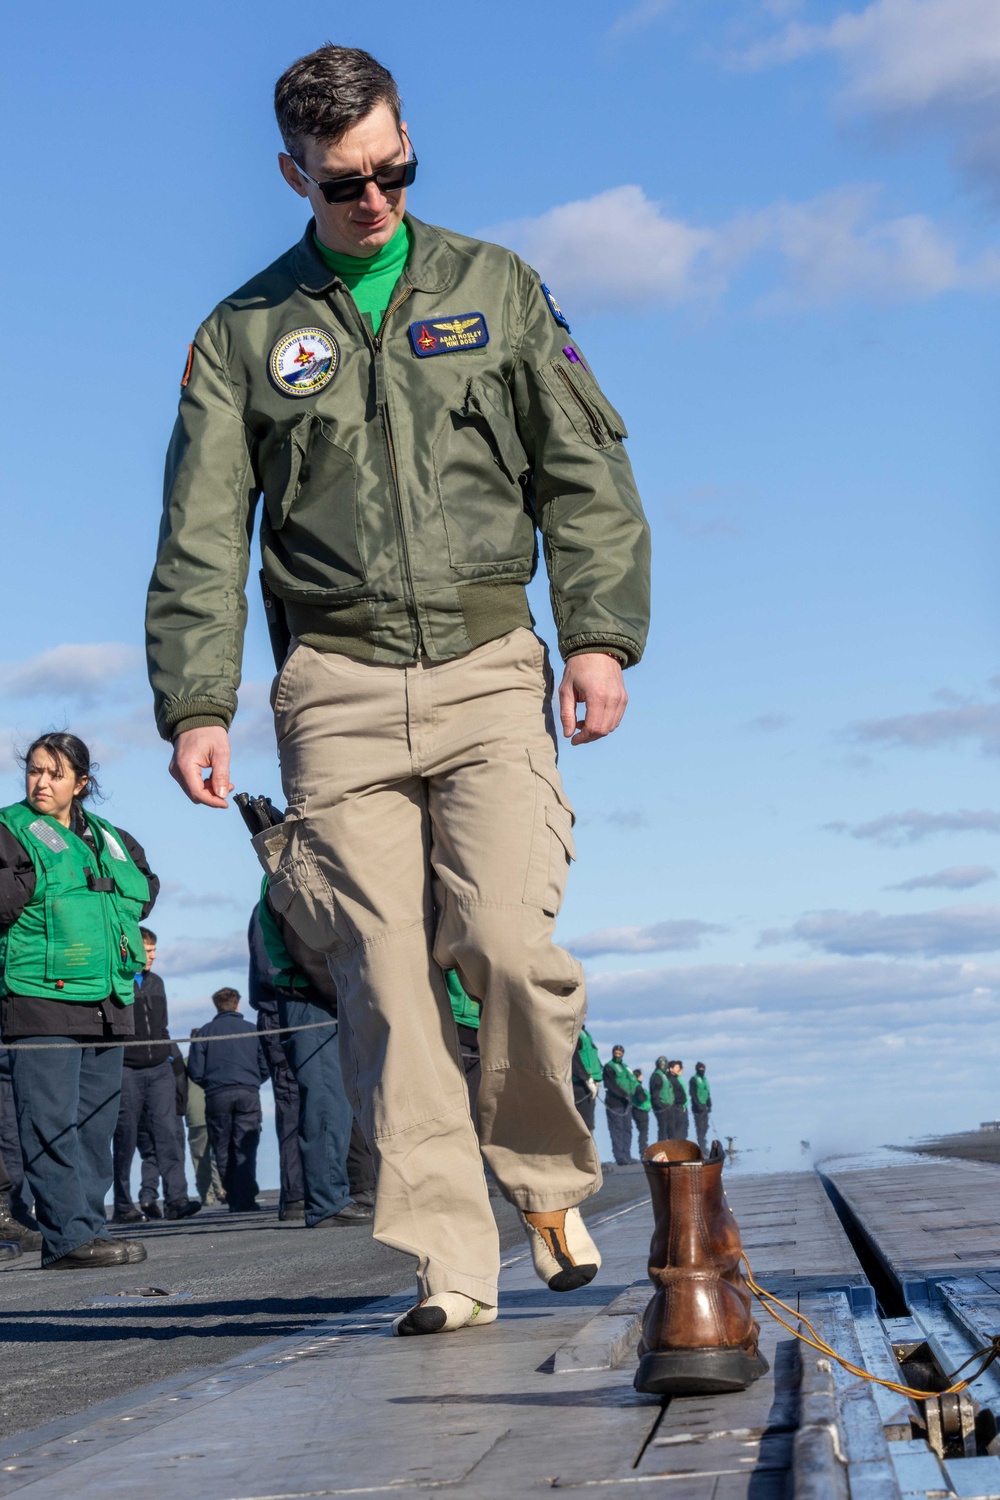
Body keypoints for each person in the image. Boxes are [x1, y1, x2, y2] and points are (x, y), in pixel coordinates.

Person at [146, 43, 650, 1336]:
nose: (374, 201)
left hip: (489, 666)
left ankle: (543, 1178)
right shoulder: (243, 335)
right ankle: (449, 1256)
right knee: (378, 972)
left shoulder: (499, 288)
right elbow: (201, 533)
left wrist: (598, 637)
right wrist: (196, 702)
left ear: (410, 145)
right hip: (335, 685)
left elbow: (581, 474)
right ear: (292, 175)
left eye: (395, 172)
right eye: (343, 184)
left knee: (505, 945)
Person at [0, 733, 158, 1269]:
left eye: (55, 774)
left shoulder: (112, 838)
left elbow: (145, 887)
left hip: (110, 997)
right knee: (48, 1121)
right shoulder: (9, 831)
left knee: (94, 1124)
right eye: (34, 771)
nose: (41, 783)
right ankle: (67, 1236)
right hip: (41, 997)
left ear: (81, 784)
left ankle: (87, 1227)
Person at [249, 894, 373, 1225]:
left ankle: (334, 1195)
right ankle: (327, 1202)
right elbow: (307, 952)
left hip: (321, 997)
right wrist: (344, 993)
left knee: (336, 1102)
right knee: (325, 1102)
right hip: (312, 999)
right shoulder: (288, 884)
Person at [112, 928, 200, 1223]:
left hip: (159, 1068)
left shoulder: (157, 982)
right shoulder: (116, 980)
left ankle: (177, 1200)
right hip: (126, 1070)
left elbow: (162, 1027)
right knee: (125, 1138)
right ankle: (123, 1206)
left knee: (169, 1135)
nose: (153, 956)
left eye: (154, 950)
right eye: (148, 950)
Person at [187, 987, 269, 1212]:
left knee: (222, 1148)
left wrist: (211, 1085)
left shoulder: (205, 1032)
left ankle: (233, 1195)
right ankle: (246, 1197)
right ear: (237, 1005)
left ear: (217, 1006)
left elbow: (195, 1070)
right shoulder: (251, 1030)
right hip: (247, 1092)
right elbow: (265, 1065)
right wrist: (252, 1081)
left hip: (217, 1095)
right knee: (246, 1147)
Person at [603, 1044, 635, 1165]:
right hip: (615, 1102)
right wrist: (623, 1094)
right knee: (617, 1129)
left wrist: (633, 1095)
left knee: (627, 1129)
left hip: (627, 1103)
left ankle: (627, 1155)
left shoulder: (626, 1067)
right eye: (616, 1053)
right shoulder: (609, 1067)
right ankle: (620, 1157)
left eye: (619, 1054)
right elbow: (610, 1085)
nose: (617, 1055)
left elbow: (633, 1081)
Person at [571, 1026, 602, 1131]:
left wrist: (596, 1079)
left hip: (590, 1083)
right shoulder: (574, 1033)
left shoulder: (586, 1034)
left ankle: (588, 1146)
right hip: (579, 1083)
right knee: (582, 1121)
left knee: (589, 1122)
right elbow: (574, 1059)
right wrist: (586, 1079)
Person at [690, 1061, 712, 1152]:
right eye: (700, 1069)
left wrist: (709, 1104)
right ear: (697, 1069)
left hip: (705, 1106)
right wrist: (697, 1105)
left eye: (703, 1069)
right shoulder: (694, 1079)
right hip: (697, 1107)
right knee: (700, 1127)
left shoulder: (705, 1080)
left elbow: (707, 1092)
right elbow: (693, 1093)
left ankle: (704, 1144)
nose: (702, 1070)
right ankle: (702, 1147)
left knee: (705, 1126)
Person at [650, 1055, 672, 1142]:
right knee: (663, 1128)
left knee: (670, 1128)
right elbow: (655, 1093)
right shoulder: (657, 1076)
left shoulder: (664, 1075)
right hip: (662, 1107)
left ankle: (672, 1149)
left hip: (668, 1106)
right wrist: (660, 1105)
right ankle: (662, 1148)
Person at [666, 1061, 689, 1141]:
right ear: (671, 1069)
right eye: (677, 1067)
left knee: (683, 1129)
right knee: (677, 1130)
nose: (679, 1069)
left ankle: (680, 1147)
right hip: (676, 1107)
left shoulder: (676, 1078)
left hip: (681, 1106)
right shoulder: (670, 1079)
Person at [632, 1067, 651, 1156]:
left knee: (642, 1132)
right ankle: (643, 1151)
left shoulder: (633, 1085)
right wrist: (645, 1097)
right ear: (639, 1076)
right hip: (641, 1110)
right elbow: (641, 1098)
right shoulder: (638, 1086)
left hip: (636, 1110)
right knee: (643, 1132)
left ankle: (643, 1150)